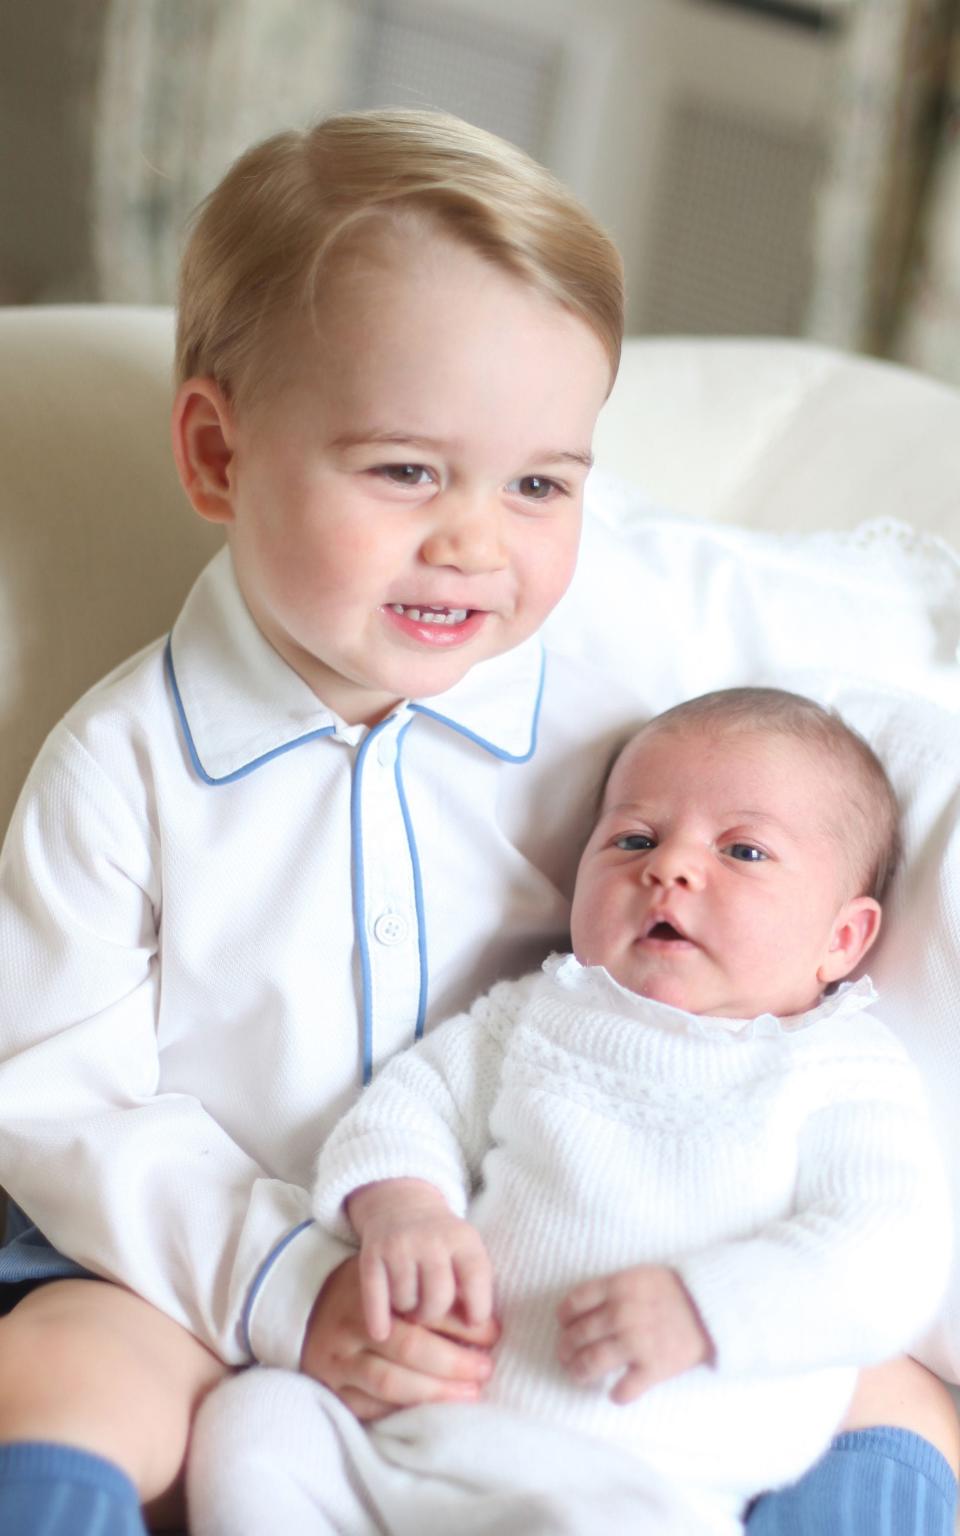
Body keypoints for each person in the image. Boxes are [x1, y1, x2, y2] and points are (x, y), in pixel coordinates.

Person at [0, 108, 953, 1536]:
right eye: (403, 471)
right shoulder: (125, 764)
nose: (476, 542)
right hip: (223, 1264)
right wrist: (290, 1284)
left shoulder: (633, 663)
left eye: (541, 485)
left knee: (884, 1389)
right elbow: (56, 1096)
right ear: (217, 452)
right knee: (58, 1371)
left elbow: (885, 636)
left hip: (601, 1269)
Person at [187, 688, 953, 1536]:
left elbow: (889, 1256)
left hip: (641, 1489)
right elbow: (410, 1104)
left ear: (842, 939)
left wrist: (708, 1310)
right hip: (414, 1446)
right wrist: (404, 1205)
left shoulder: (837, 1069)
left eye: (743, 850)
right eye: (634, 838)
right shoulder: (536, 1014)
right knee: (255, 1421)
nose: (670, 867)